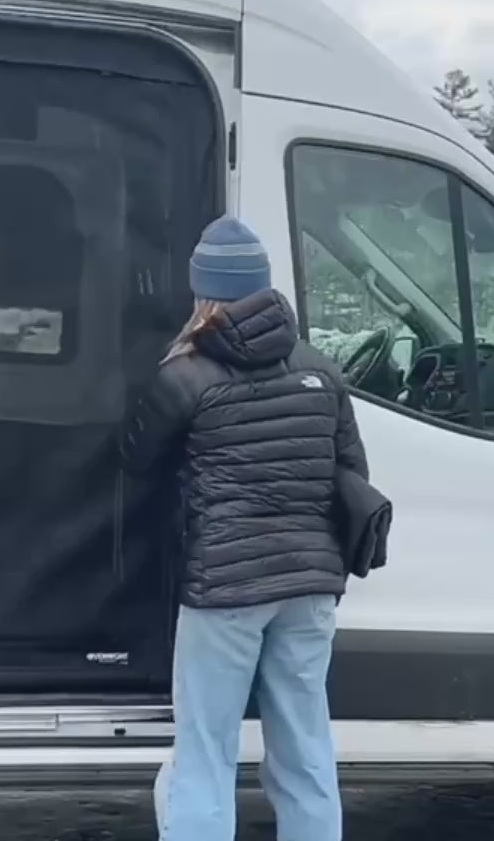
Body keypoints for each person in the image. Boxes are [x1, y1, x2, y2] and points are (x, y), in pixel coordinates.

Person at [120, 215, 369, 841]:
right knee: (306, 752)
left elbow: (135, 460)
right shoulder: (322, 371)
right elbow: (351, 475)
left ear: (203, 294)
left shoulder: (184, 376)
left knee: (206, 755)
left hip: (225, 590)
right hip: (310, 589)